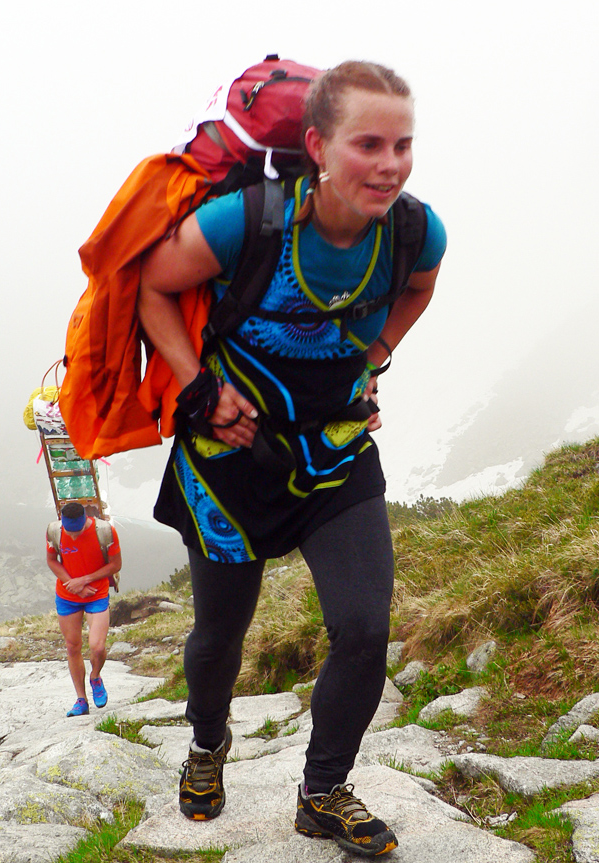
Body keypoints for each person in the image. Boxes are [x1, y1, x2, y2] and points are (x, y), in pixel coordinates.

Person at [138, 60, 446, 857]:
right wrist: (198, 387)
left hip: (335, 454)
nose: (390, 165)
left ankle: (323, 792)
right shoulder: (246, 223)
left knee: (364, 626)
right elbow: (152, 287)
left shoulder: (415, 232)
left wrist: (376, 353)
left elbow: (420, 286)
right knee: (219, 636)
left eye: (403, 145)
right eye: (368, 144)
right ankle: (207, 742)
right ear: (316, 146)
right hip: (228, 460)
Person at [46, 502, 121, 716]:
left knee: (97, 647)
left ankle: (95, 676)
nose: (73, 536)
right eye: (69, 531)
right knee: (72, 647)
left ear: (84, 521)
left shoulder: (104, 531)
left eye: (77, 531)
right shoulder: (54, 531)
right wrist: (74, 585)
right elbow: (51, 560)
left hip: (96, 593)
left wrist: (85, 580)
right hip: (68, 595)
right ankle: (81, 700)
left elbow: (115, 565)